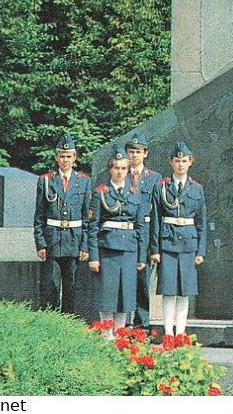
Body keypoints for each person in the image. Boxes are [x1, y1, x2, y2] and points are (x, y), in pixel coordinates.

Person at [149, 141, 207, 337]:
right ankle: (168, 332)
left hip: (189, 244)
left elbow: (201, 222)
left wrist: (201, 251)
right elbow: (155, 220)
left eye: (184, 161)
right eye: (177, 161)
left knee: (185, 291)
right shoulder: (161, 188)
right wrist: (155, 249)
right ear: (171, 162)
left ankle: (180, 333)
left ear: (190, 162)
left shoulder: (197, 189)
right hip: (167, 243)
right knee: (168, 290)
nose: (180, 164)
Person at [88, 146, 147, 332]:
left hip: (129, 250)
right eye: (116, 168)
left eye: (123, 168)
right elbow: (93, 226)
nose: (120, 172)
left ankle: (120, 335)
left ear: (128, 170)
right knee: (108, 295)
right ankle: (107, 335)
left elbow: (141, 227)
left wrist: (141, 257)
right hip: (107, 249)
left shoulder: (135, 193)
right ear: (110, 169)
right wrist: (94, 256)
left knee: (125, 296)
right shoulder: (101, 193)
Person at [33, 133, 91, 313]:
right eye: (62, 156)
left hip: (74, 240)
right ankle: (51, 322)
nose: (65, 160)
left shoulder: (84, 182)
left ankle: (68, 323)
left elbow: (86, 218)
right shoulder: (46, 181)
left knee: (71, 286)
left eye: (69, 156)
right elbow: (39, 217)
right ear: (56, 157)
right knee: (50, 285)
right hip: (52, 240)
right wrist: (40, 243)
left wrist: (85, 246)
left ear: (75, 157)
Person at [125, 132, 162, 328]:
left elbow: (157, 213)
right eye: (131, 151)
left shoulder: (155, 178)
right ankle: (123, 324)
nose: (134, 155)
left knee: (142, 282)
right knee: (124, 281)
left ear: (145, 153)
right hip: (125, 234)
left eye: (138, 152)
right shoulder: (120, 174)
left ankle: (142, 325)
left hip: (145, 236)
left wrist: (154, 246)